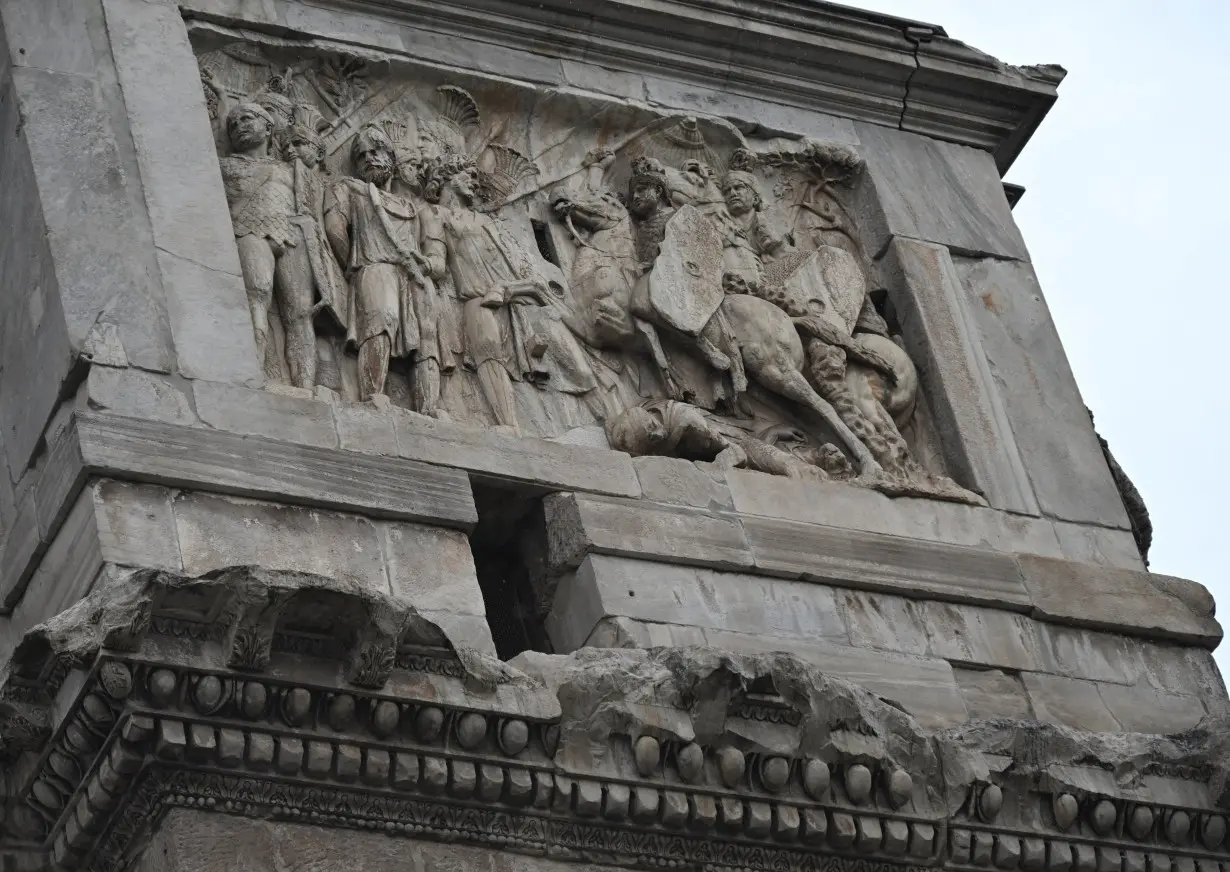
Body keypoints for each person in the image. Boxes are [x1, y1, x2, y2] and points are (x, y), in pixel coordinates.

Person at [418, 154, 550, 432]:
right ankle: (508, 425)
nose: (474, 182)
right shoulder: (435, 214)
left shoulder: (487, 220)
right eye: (467, 174)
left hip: (513, 298)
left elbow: (523, 268)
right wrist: (420, 264)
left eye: (475, 177)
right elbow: (438, 262)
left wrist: (510, 287)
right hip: (476, 297)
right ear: (446, 178)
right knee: (486, 349)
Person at [323, 124, 442, 411]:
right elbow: (335, 229)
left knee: (427, 337)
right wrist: (356, 267)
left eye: (376, 152)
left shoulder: (413, 207)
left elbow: (436, 257)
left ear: (390, 157)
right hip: (374, 266)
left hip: (414, 275)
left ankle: (429, 407)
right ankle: (373, 395)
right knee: (381, 320)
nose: (369, 159)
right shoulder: (349, 189)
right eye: (362, 156)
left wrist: (425, 263)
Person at [217, 101, 319, 386]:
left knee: (300, 312)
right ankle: (254, 373)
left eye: (247, 119)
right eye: (234, 124)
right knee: (257, 295)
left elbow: (310, 210)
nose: (239, 127)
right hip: (249, 229)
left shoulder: (292, 170)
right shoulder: (225, 166)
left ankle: (305, 387)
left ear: (268, 127)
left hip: (292, 236)